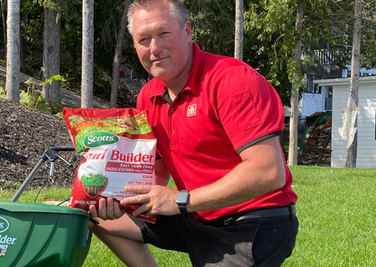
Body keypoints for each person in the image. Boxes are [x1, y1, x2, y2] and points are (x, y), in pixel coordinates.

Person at [88, 0, 299, 266]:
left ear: (187, 31)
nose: (154, 48)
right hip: (194, 214)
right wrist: (115, 199)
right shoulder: (148, 96)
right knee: (90, 216)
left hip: (253, 221)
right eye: (144, 39)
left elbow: (268, 172)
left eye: (164, 34)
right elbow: (157, 172)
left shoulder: (232, 81)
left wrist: (180, 200)